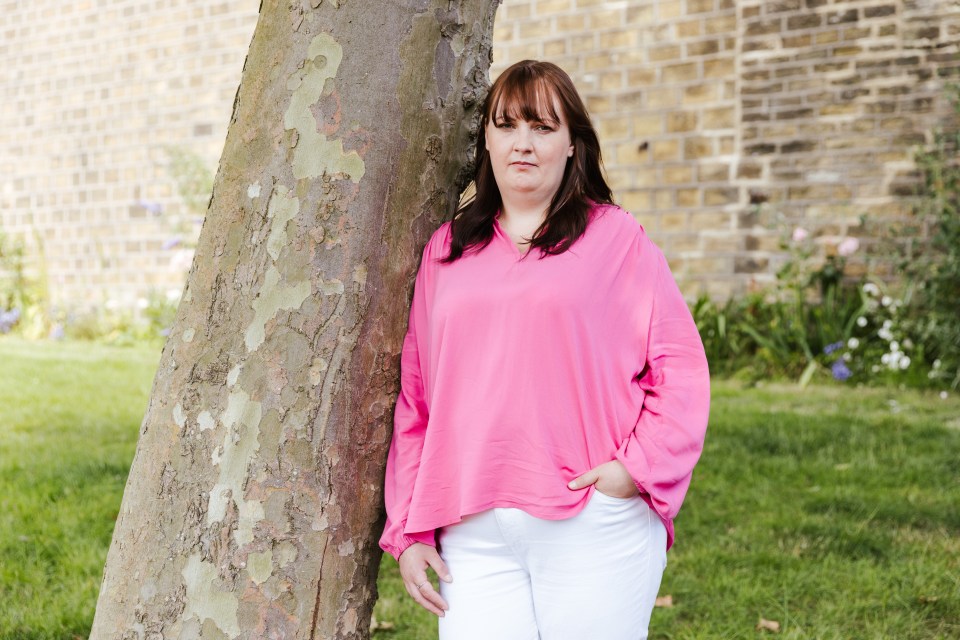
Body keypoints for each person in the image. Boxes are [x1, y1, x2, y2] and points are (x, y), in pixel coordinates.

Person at [379, 59, 710, 640]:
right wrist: (408, 527)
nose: (523, 144)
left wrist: (635, 472)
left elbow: (680, 367)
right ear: (486, 141)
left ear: (572, 146)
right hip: (471, 528)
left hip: (589, 519)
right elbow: (418, 399)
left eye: (542, 127)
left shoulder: (616, 239)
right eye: (506, 126)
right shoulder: (446, 250)